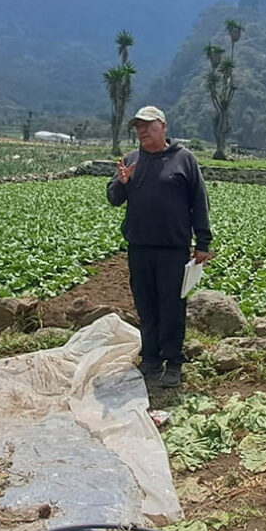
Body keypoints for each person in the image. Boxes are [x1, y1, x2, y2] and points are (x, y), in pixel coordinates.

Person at [107, 105, 214, 389]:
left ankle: (174, 361)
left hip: (173, 249)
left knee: (172, 307)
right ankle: (151, 358)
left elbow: (199, 202)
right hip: (139, 247)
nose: (142, 131)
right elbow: (114, 198)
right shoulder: (132, 160)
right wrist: (122, 182)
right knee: (146, 305)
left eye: (147, 125)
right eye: (138, 127)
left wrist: (203, 242)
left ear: (163, 126)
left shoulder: (184, 159)